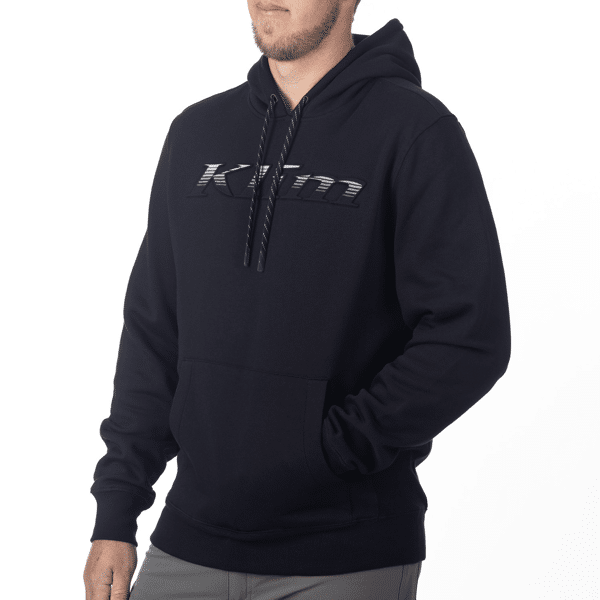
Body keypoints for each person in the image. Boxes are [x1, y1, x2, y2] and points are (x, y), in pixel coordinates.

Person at [83, 0, 512, 598]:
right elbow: (154, 329)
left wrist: (330, 448)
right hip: (190, 540)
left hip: (344, 556)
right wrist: (117, 510)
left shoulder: (415, 131)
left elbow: (469, 337)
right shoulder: (197, 133)